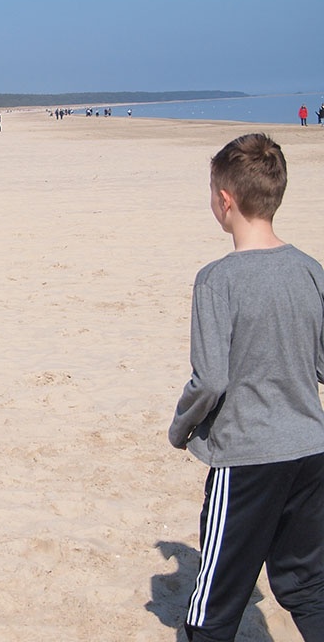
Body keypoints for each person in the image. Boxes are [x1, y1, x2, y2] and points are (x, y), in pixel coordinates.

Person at [169, 133, 324, 642]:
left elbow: (211, 378)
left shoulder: (217, 279)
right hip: (310, 450)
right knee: (308, 586)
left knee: (213, 603)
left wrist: (181, 427)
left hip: (247, 458)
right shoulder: (309, 270)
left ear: (224, 201)